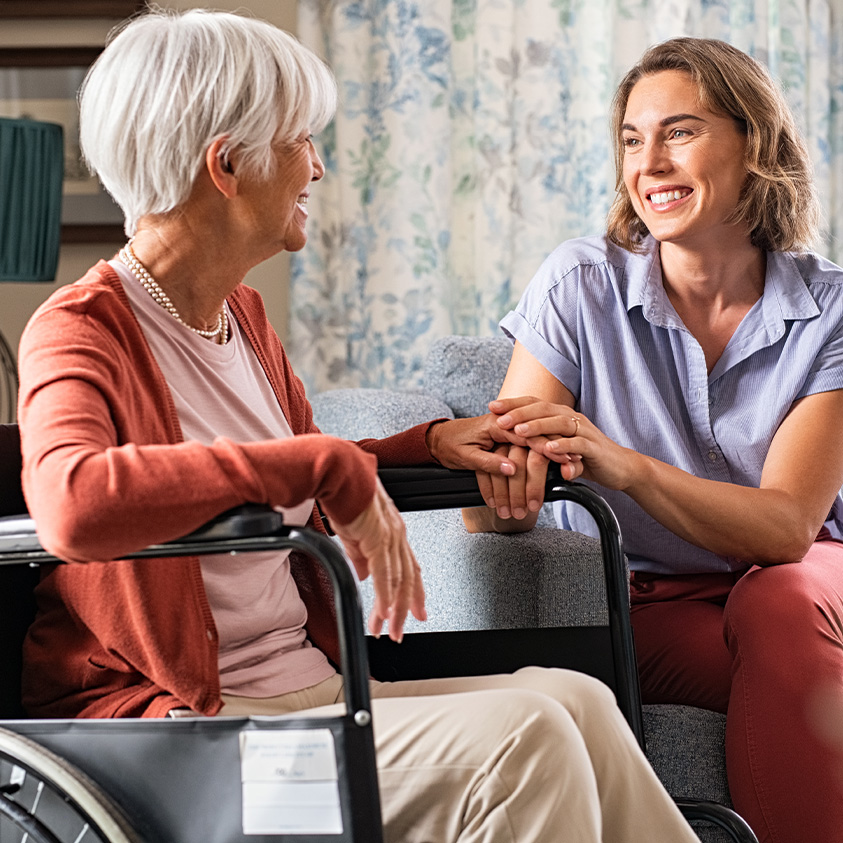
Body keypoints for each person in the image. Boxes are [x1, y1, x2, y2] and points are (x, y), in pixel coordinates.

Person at [16, 9, 701, 842]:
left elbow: (288, 467)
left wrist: (422, 446)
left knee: (577, 700)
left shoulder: (241, 318)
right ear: (226, 165)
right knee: (524, 742)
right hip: (183, 736)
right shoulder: (81, 327)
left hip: (303, 691)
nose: (318, 165)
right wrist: (318, 463)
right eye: (300, 141)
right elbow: (72, 505)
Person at [467, 36, 843, 843]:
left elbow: (785, 528)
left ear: (754, 143)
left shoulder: (832, 312)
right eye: (632, 140)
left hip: (804, 583)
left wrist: (626, 467)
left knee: (779, 599)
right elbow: (493, 500)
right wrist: (506, 486)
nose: (650, 164)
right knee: (801, 673)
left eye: (680, 132)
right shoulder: (579, 286)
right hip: (652, 603)